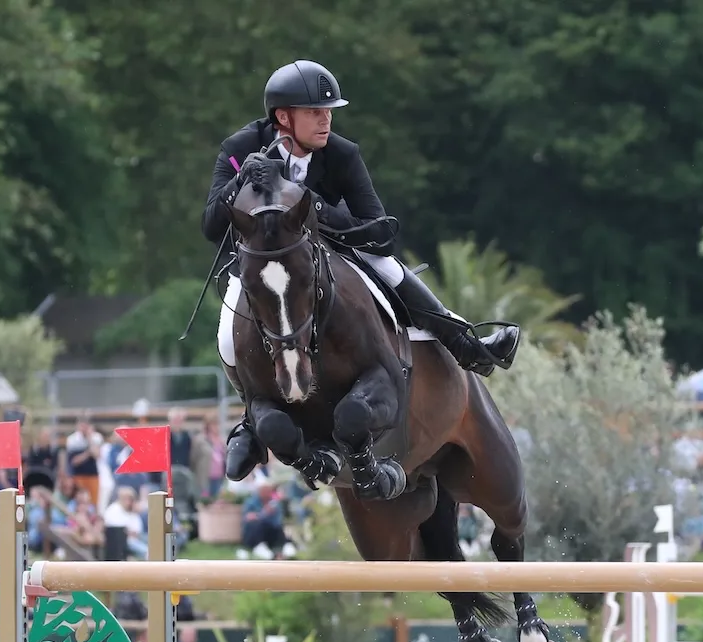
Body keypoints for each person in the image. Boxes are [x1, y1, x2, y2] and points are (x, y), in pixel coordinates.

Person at [203, 60, 520, 479]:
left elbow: (381, 232)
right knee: (229, 335)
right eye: (315, 111)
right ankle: (251, 418)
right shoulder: (241, 146)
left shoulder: (342, 153)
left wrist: (308, 200)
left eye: (329, 111)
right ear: (283, 117)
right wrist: (236, 184)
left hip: (334, 253)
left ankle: (464, 342)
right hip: (263, 264)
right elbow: (210, 226)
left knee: (388, 267)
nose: (326, 120)